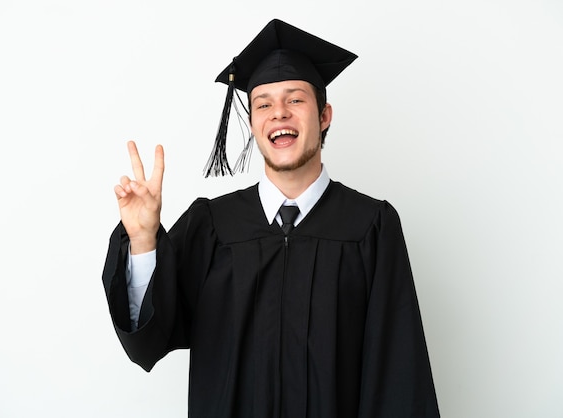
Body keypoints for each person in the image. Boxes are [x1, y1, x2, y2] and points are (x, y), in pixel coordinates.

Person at [102, 18, 440, 418]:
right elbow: (147, 343)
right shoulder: (212, 226)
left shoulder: (371, 227)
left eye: (295, 100)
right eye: (263, 104)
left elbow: (398, 374)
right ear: (252, 124)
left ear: (325, 114)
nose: (278, 113)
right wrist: (142, 242)